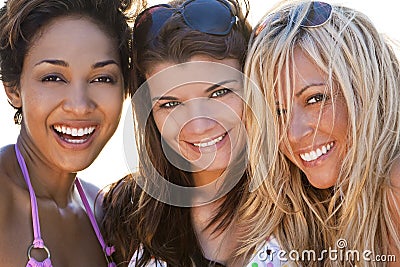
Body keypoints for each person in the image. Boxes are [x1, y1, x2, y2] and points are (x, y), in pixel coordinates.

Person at [100, 0, 260, 266]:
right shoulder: (125, 213)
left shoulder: (311, 204)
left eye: (219, 93)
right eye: (171, 104)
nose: (199, 125)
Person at [240, 1, 400, 266]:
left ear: (366, 88)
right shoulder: (314, 214)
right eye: (277, 112)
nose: (292, 134)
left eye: (315, 99)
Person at [0, 0, 144, 265]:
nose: (79, 106)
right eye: (53, 77)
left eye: (102, 78)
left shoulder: (106, 215)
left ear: (125, 89)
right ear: (13, 88)